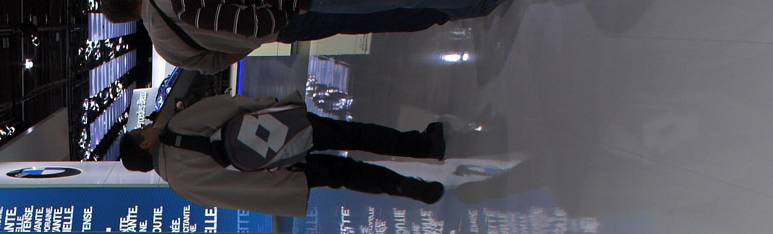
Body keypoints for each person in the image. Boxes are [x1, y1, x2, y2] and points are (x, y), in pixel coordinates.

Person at [119, 96, 446, 216]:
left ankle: (408, 188)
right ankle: (424, 146)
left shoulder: (180, 186)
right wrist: (277, 104)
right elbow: (231, 106)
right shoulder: (177, 127)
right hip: (278, 134)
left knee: (348, 174)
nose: (148, 128)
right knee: (354, 135)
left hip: (284, 178)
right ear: (145, 144)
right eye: (143, 131)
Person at [101, 0, 510, 74]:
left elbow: (219, 62)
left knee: (362, 20)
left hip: (282, 29)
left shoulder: (167, 49)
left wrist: (252, 38)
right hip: (283, 6)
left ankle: (439, 13)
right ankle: (468, 3)